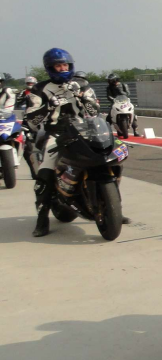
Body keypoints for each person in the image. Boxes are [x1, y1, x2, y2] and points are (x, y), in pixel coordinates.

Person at [24, 48, 100, 237]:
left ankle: (113, 208)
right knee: (46, 172)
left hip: (84, 130)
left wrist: (81, 96)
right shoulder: (39, 89)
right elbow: (31, 120)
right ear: (50, 68)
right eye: (58, 65)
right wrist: (48, 106)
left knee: (108, 157)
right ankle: (42, 219)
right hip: (56, 133)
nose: (63, 68)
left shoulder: (82, 85)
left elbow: (95, 111)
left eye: (65, 64)